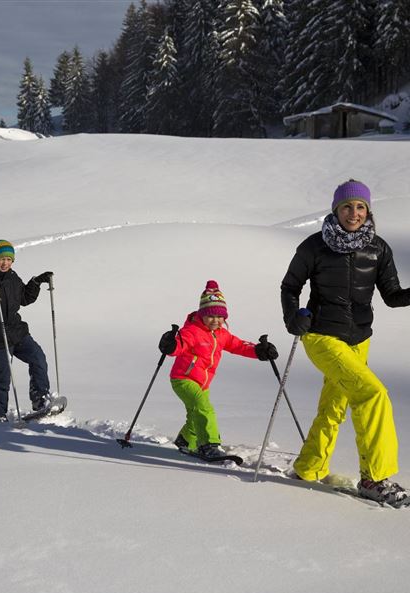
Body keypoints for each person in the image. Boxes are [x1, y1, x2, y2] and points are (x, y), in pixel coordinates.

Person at [281, 179, 410, 507]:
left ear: (368, 211)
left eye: (360, 207)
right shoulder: (314, 246)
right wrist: (292, 316)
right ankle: (374, 478)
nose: (354, 213)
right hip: (322, 336)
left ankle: (308, 468)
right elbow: (290, 286)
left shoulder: (379, 248)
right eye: (347, 206)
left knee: (334, 407)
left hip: (359, 340)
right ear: (336, 209)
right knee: (373, 394)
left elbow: (392, 296)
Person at [158, 280, 278, 459]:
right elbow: (180, 346)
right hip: (183, 378)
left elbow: (238, 345)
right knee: (203, 408)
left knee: (195, 411)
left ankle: (185, 440)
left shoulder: (222, 334)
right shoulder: (192, 331)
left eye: (220, 316)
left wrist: (259, 351)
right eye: (211, 316)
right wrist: (171, 345)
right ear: (202, 315)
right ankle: (209, 444)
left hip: (203, 383)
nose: (216, 320)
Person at [0, 240, 54, 422]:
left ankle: (40, 399)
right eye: (1, 259)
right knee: (2, 377)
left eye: (8, 259)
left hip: (18, 332)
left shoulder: (13, 278)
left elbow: (24, 298)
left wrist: (36, 282)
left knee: (38, 358)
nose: (4, 263)